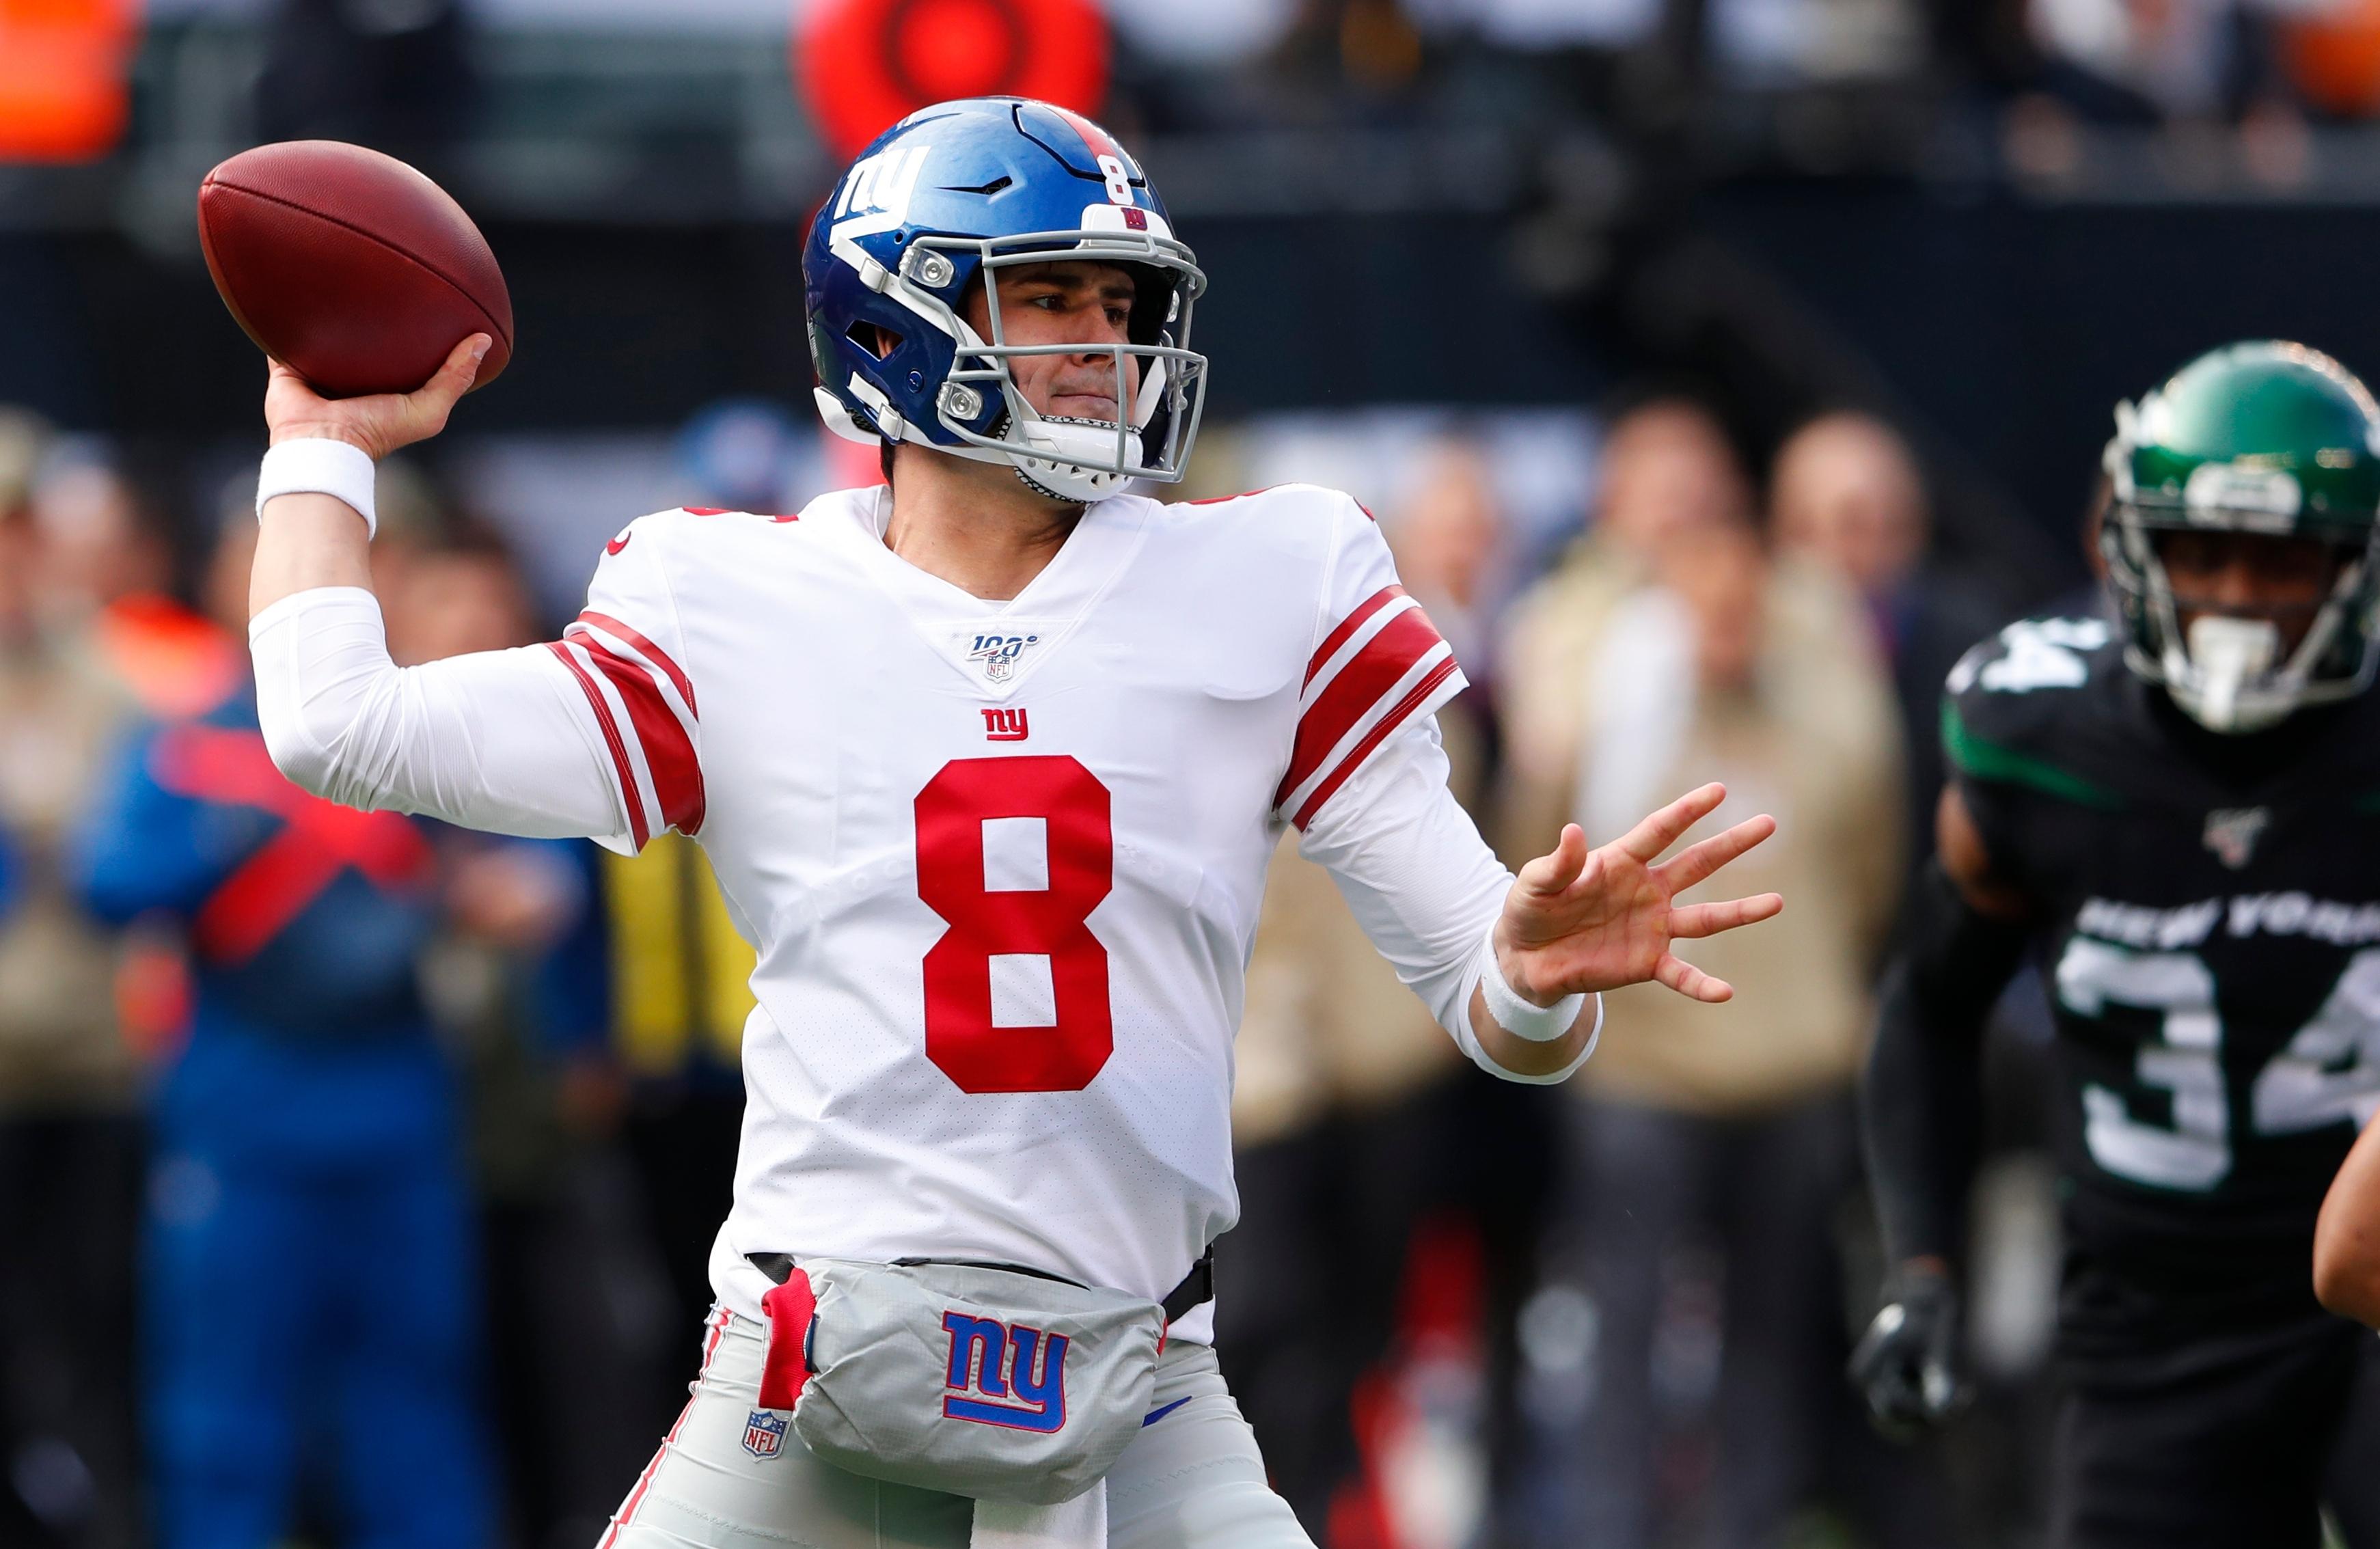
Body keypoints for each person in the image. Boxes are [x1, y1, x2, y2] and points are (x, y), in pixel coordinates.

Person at [238, 97, 1783, 1548]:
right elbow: (335, 724)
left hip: (1143, 1373)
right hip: (811, 1369)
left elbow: (1489, 1002)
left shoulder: (1272, 579)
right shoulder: (732, 601)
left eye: (1120, 307)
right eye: (1051, 299)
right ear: (892, 316)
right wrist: (320, 448)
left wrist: (1525, 971)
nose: (1101, 345)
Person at [1852, 340, 2380, 1548]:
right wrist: (1923, 1265)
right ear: (2131, 551)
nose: (2241, 599)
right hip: (2150, 1314)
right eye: (2202, 553)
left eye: (2283, 559)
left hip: (2370, 1285)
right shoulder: (2036, 734)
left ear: (2357, 569)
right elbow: (1930, 1004)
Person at [76, 515, 521, 1549]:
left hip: (397, 1110)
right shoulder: (188, 744)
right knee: (226, 1414)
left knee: (415, 1399)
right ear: (232, 577)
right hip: (245, 1116)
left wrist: (487, 895)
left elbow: (518, 870)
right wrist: (240, 831)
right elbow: (110, 887)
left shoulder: (417, 721)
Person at [1516, 518, 1910, 1549]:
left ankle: (1751, 1526)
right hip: (1642, 1076)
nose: (1726, 619)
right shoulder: (1617, 697)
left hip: (1792, 1067)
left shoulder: (1830, 696)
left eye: (1745, 597)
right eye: (1703, 598)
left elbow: (1873, 861)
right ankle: (1612, 1530)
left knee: (1773, 1334)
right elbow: (1538, 865)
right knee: (1625, 1321)